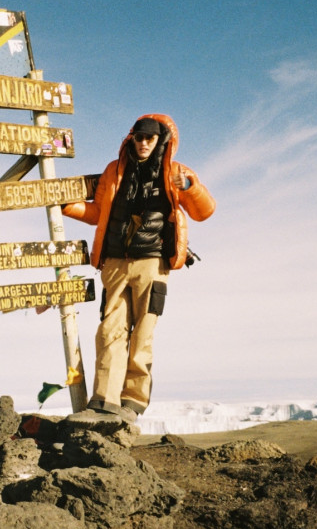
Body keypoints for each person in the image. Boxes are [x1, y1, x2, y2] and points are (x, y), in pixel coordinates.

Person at [62, 113, 215, 426]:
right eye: (139, 137)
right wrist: (66, 206)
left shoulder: (177, 171)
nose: (144, 143)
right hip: (115, 262)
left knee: (143, 333)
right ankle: (104, 402)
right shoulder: (114, 170)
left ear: (161, 140)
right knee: (109, 332)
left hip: (152, 264)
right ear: (131, 138)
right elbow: (98, 213)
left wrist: (189, 187)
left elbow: (204, 211)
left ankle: (132, 402)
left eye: (150, 138)